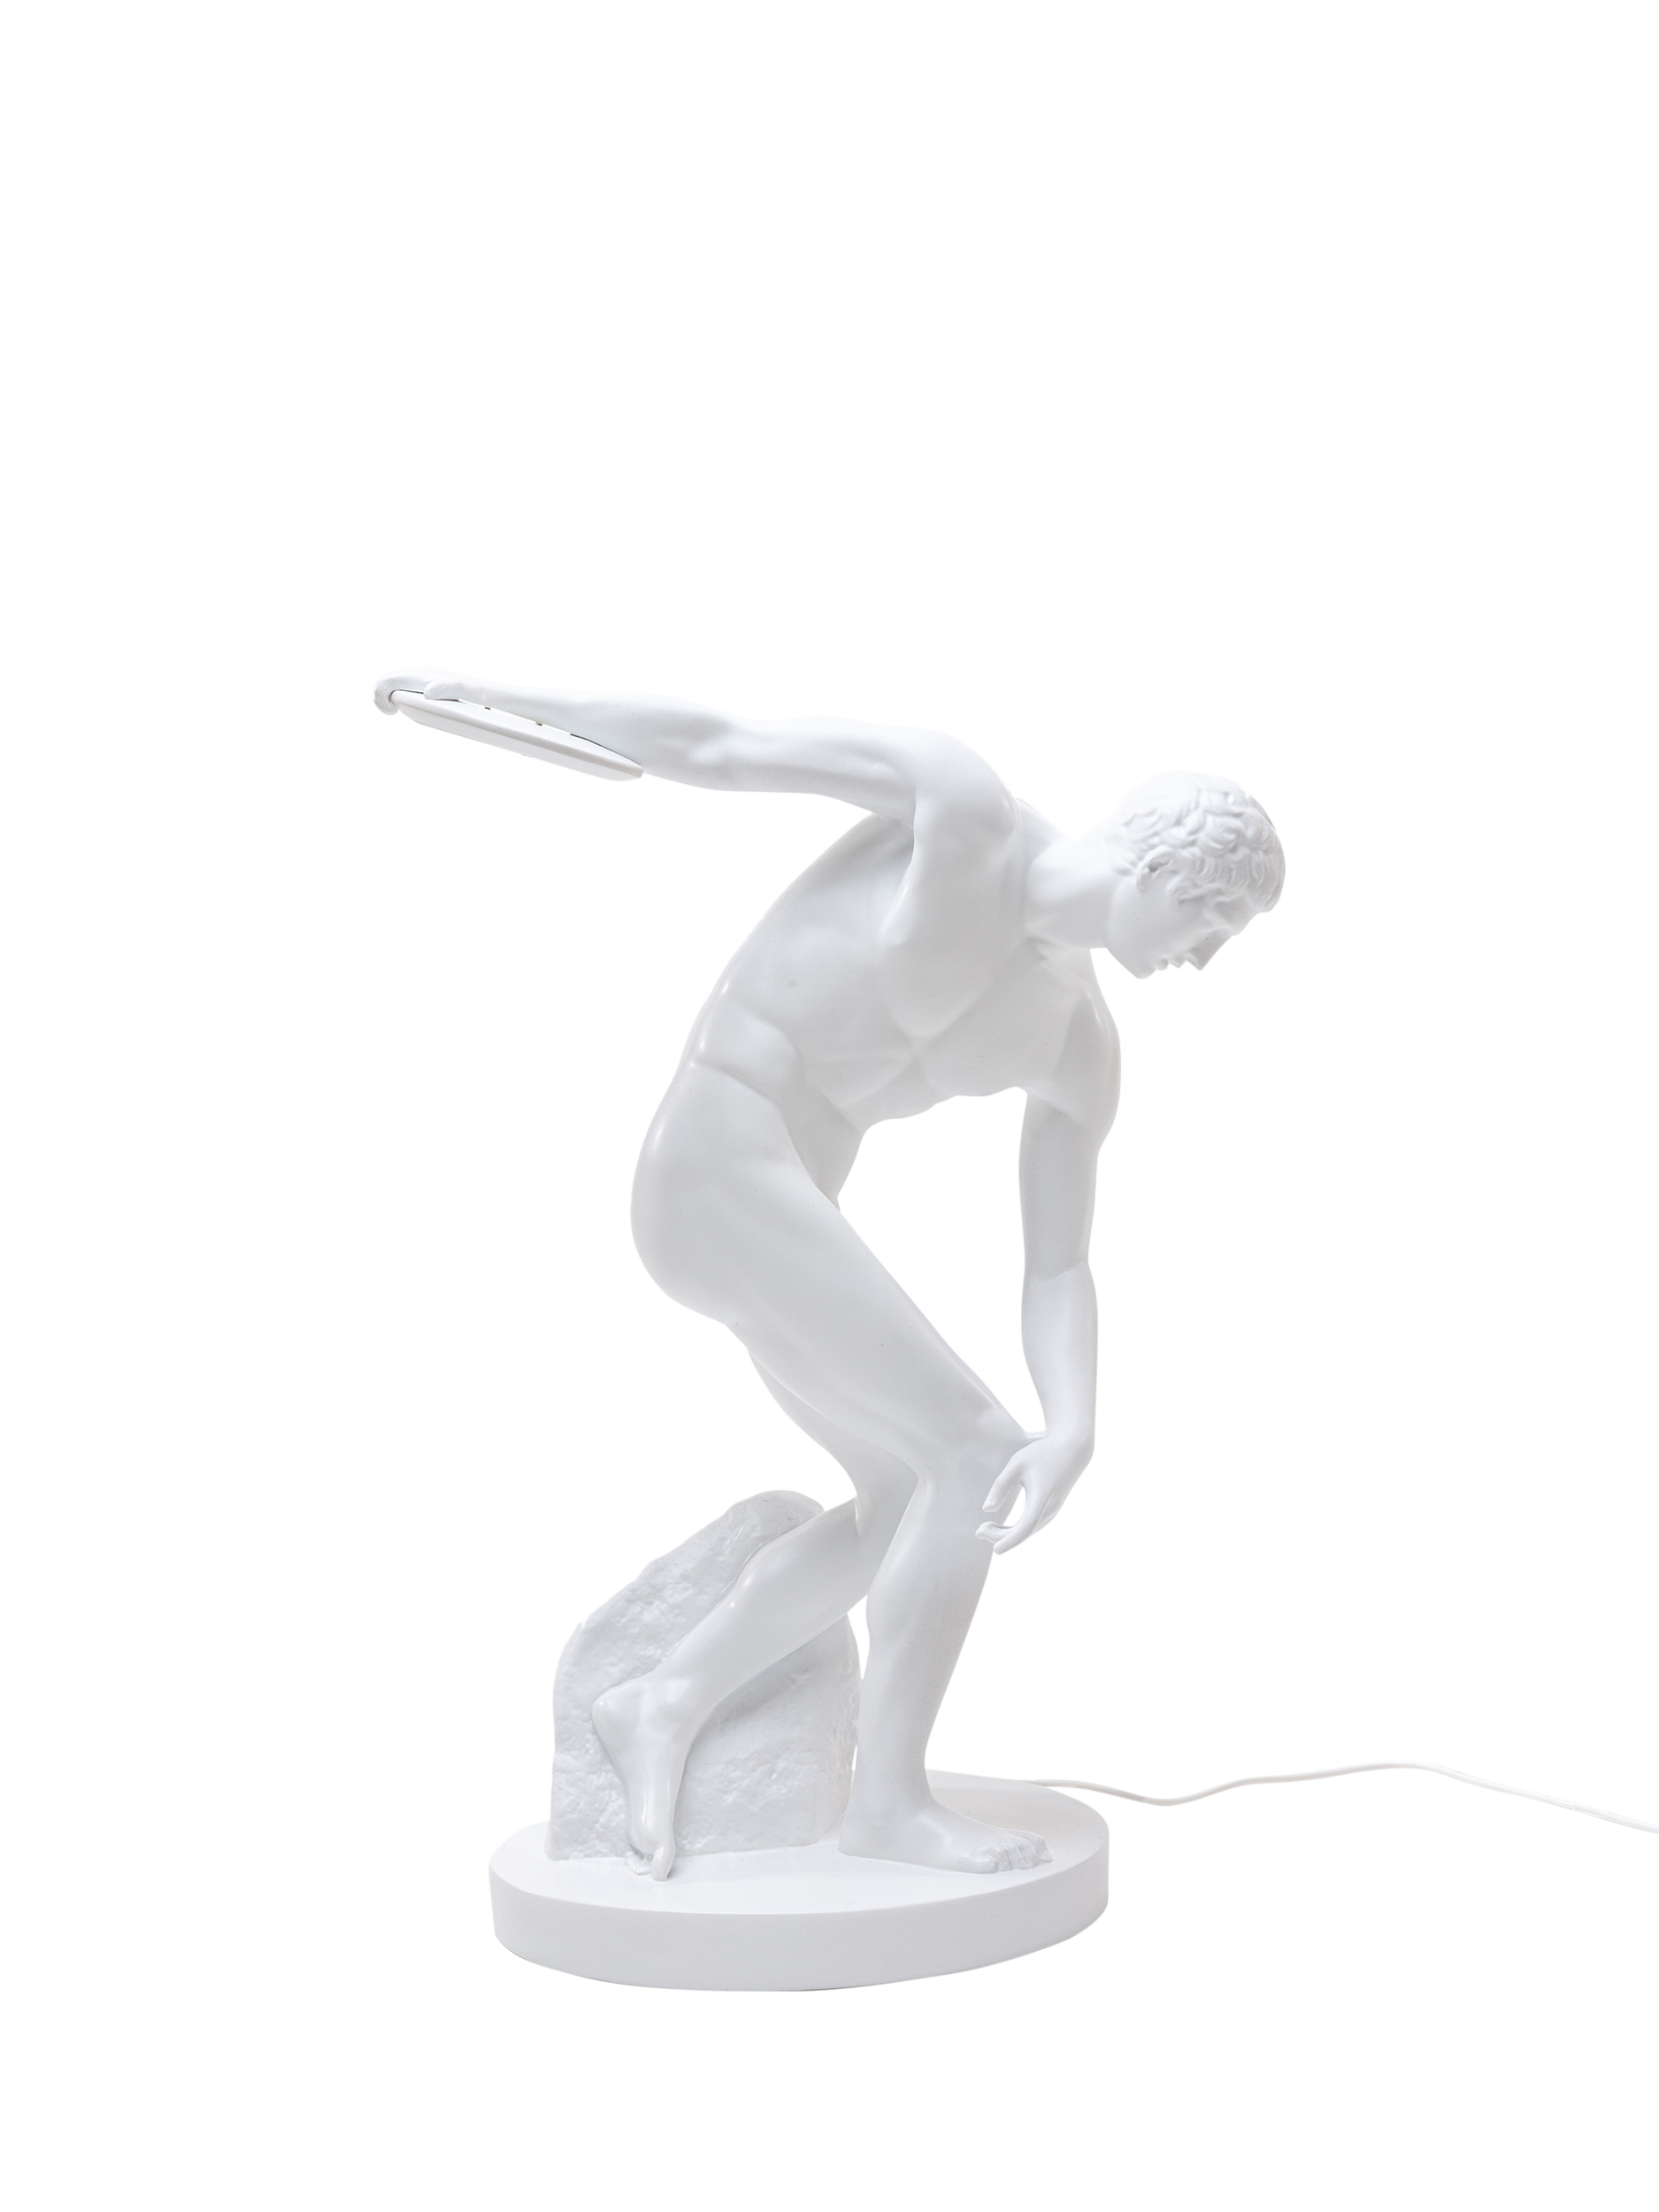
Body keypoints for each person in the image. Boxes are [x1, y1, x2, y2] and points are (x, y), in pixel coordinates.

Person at [376, 671, 1286, 1878]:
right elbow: (723, 742)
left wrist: (1075, 1420)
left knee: (908, 1500)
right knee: (972, 1452)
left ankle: (660, 1701)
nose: (1205, 961)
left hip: (783, 1211)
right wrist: (507, 706)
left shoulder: (1077, 1040)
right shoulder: (961, 812)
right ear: (1166, 868)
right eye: (1214, 924)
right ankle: (888, 1808)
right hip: (714, 1162)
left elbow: (1059, 1259)